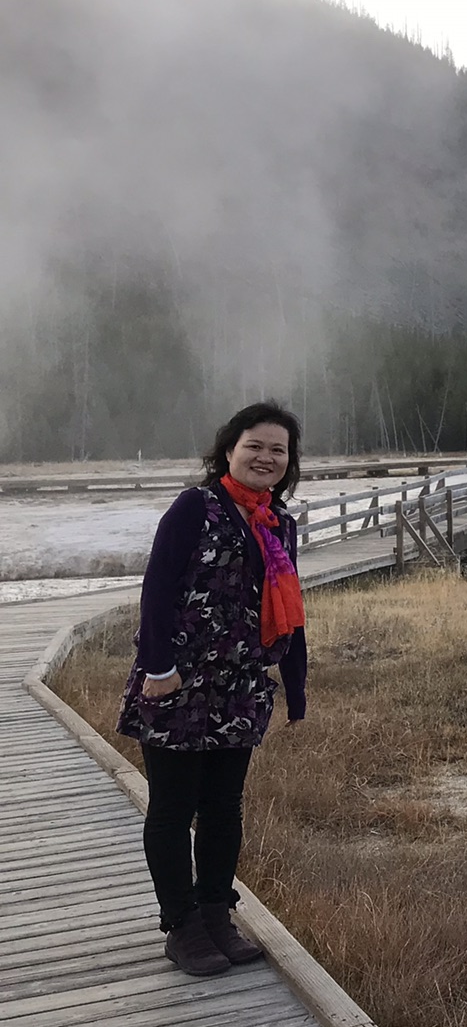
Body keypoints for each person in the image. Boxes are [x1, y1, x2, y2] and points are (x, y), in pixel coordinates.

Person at [117, 401, 308, 977]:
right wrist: (156, 667)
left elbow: (291, 608)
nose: (266, 457)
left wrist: (294, 685)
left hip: (240, 688)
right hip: (177, 683)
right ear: (229, 448)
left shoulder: (278, 523)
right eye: (255, 445)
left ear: (288, 462)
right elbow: (156, 590)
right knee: (174, 809)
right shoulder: (193, 508)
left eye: (279, 449)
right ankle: (182, 926)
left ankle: (216, 914)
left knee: (224, 808)